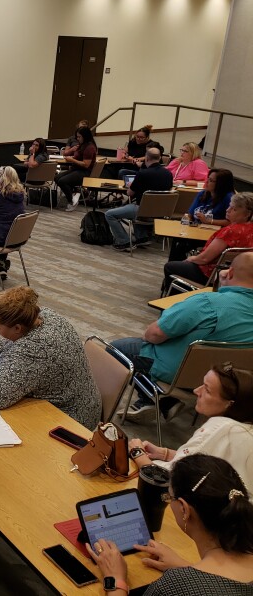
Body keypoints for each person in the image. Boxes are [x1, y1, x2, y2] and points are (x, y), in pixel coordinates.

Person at [87, 454, 253, 596]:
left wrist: (116, 580)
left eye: (169, 497)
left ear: (184, 509)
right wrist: (187, 568)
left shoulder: (175, 587)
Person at [116, 252, 253, 422]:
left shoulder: (207, 302)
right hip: (227, 383)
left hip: (177, 373)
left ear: (230, 272)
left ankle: (158, 398)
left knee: (117, 348)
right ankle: (165, 400)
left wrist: (222, 289)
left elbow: (154, 334)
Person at [0, 286, 101, 429]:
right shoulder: (43, 316)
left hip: (71, 419)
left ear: (17, 327)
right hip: (83, 401)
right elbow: (10, 343)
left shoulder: (31, 349)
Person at [128, 363, 253, 490]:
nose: (196, 391)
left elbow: (166, 480)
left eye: (207, 390)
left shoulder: (220, 428)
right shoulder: (244, 428)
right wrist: (164, 453)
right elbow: (208, 463)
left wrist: (137, 452)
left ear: (229, 404)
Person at [161, 191, 253, 292]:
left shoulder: (231, 231)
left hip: (211, 274)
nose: (228, 210)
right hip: (238, 275)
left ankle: (174, 300)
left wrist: (191, 259)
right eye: (229, 206)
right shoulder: (249, 229)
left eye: (233, 209)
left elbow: (204, 259)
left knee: (170, 266)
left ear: (247, 214)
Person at [105, 147, 174, 251]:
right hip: (161, 211)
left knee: (110, 214)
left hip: (142, 210)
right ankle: (142, 237)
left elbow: (129, 193)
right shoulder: (168, 174)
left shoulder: (142, 174)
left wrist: (131, 186)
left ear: (146, 158)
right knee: (135, 207)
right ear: (159, 158)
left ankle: (124, 241)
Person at [168, 169, 236, 261]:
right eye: (207, 178)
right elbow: (190, 214)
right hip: (196, 231)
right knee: (178, 240)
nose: (206, 182)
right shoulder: (202, 194)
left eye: (211, 180)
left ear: (221, 184)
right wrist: (187, 219)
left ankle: (177, 268)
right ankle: (175, 269)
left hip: (215, 236)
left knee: (181, 245)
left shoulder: (229, 198)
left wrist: (209, 221)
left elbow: (231, 223)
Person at [56, 125, 97, 211]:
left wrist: (72, 160)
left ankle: (72, 200)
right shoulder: (82, 145)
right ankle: (75, 192)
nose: (77, 139)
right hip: (76, 169)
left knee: (63, 181)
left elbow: (86, 164)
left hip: (84, 172)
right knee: (57, 178)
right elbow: (69, 154)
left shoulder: (90, 147)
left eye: (79, 137)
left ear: (85, 137)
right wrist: (71, 157)